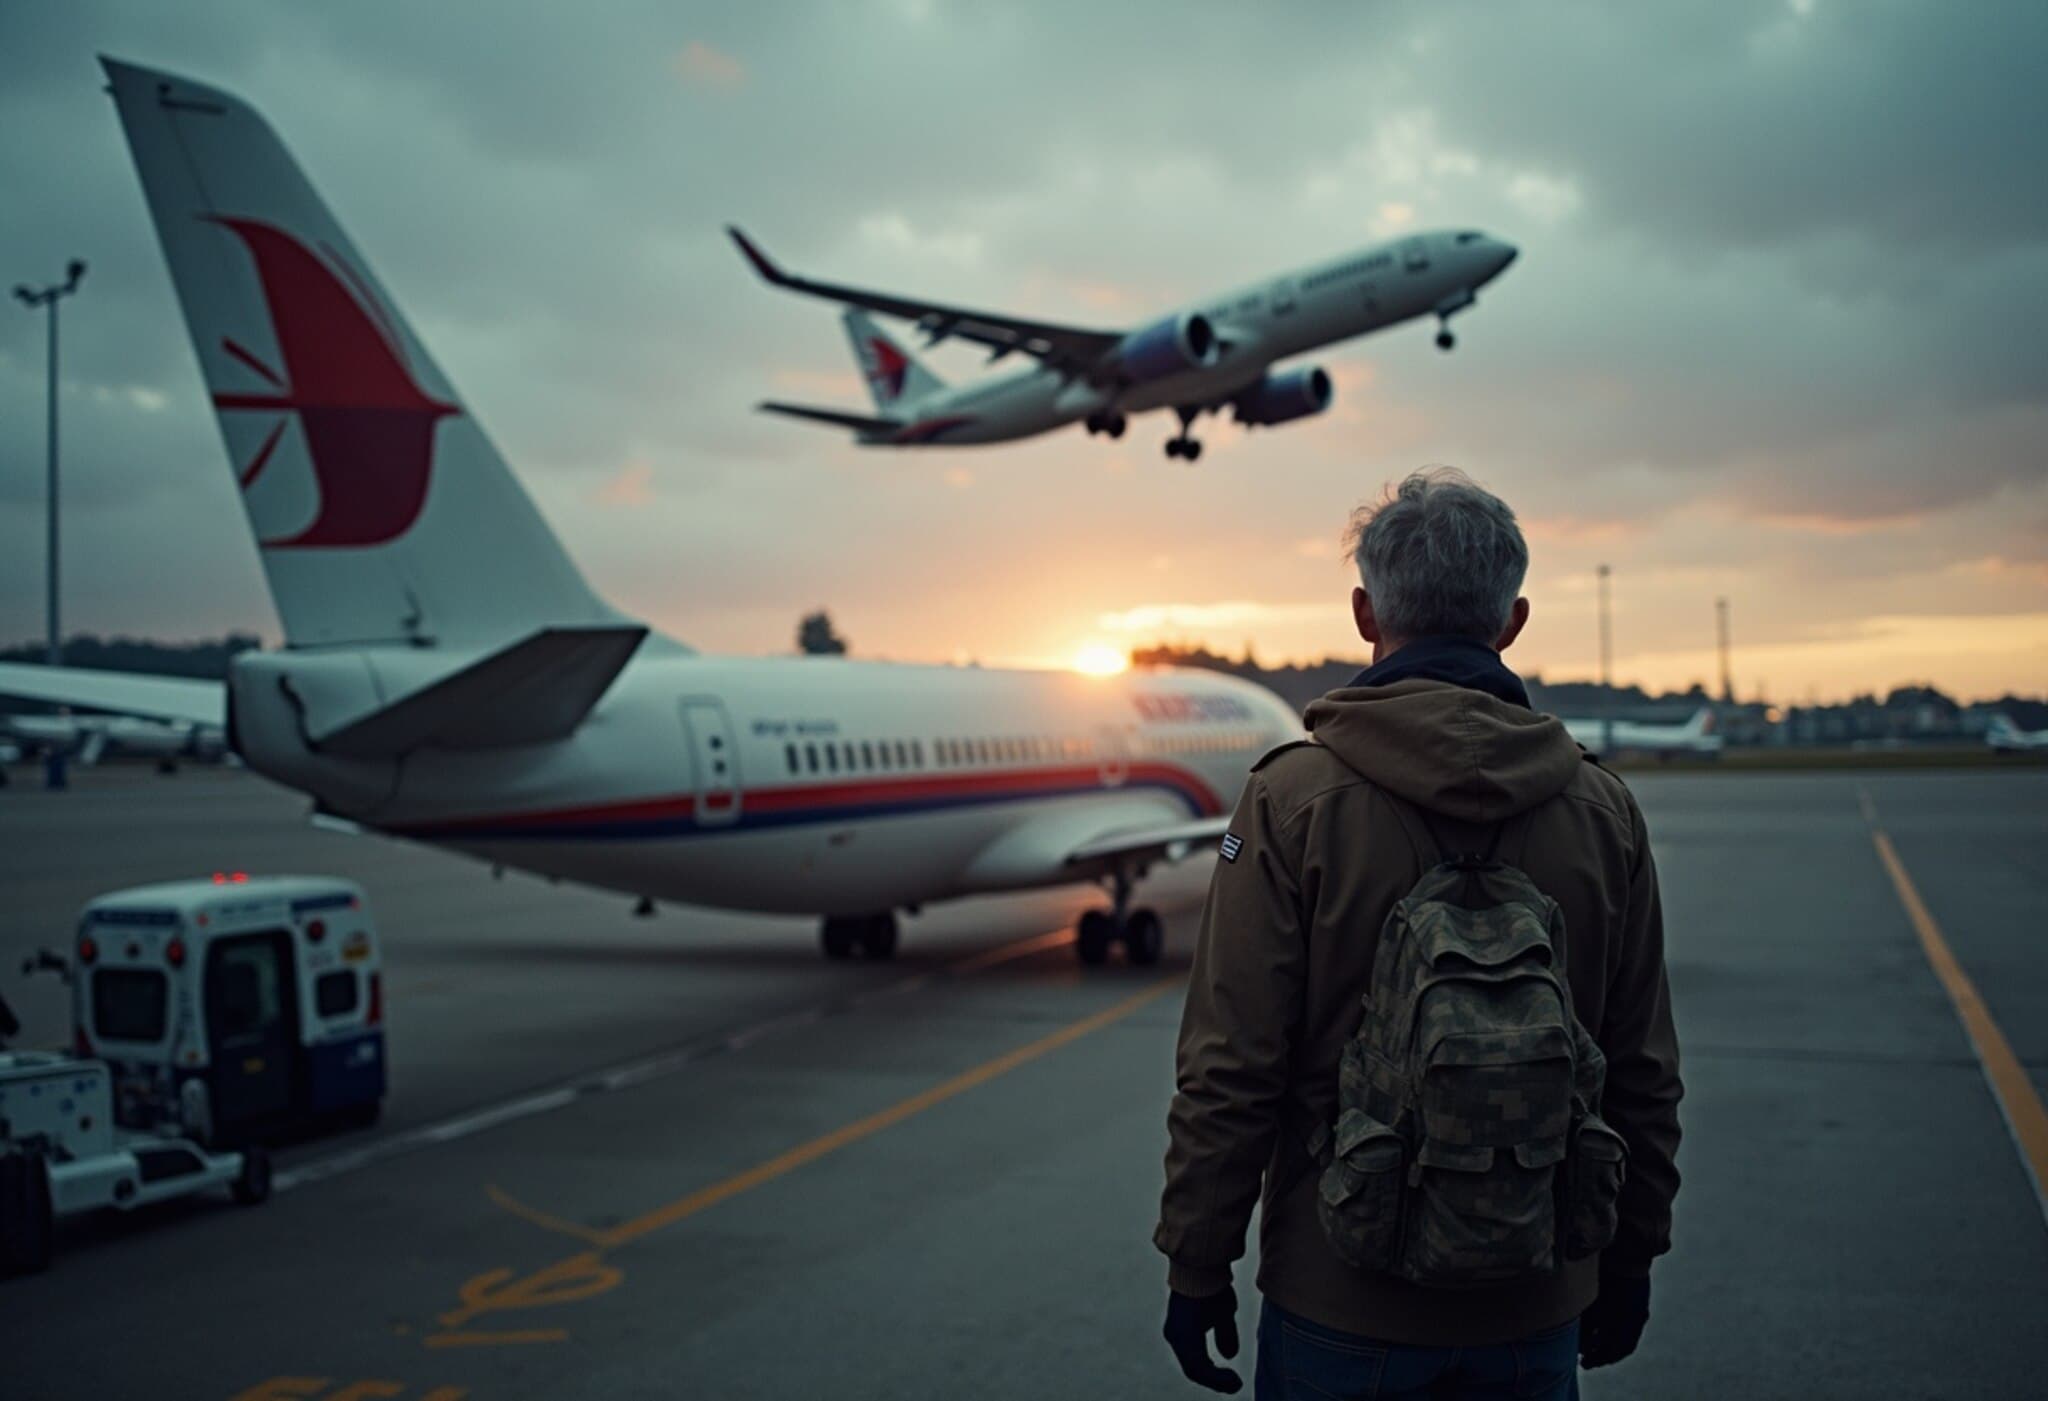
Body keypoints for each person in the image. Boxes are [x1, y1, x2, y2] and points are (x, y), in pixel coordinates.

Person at [1156, 468, 1683, 1399]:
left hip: (1339, 1297)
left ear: (1365, 613)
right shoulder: (1605, 811)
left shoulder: (1292, 802)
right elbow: (1641, 1069)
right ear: (1513, 620)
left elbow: (1232, 1064)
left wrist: (1199, 1262)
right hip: (1538, 1294)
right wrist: (1629, 1256)